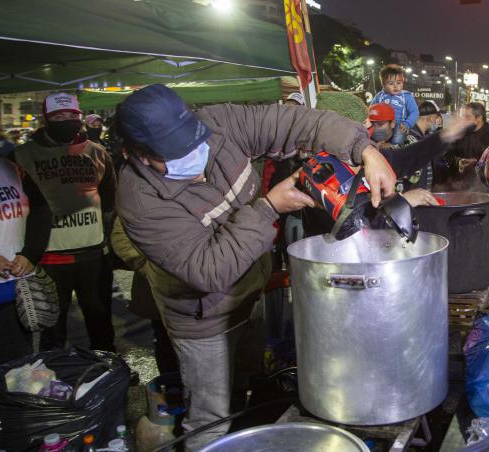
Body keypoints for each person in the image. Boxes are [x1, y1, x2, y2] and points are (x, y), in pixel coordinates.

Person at [111, 84, 395, 450]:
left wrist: (366, 150)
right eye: (177, 153)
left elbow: (295, 122)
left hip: (252, 292)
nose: (196, 155)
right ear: (140, 155)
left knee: (245, 392)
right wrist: (269, 208)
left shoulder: (218, 124)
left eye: (196, 141)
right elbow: (209, 270)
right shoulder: (139, 201)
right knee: (210, 420)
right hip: (203, 319)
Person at [13, 93, 117, 353]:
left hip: (91, 253)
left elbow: (110, 199)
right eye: (59, 117)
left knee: (100, 318)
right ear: (46, 120)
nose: (67, 121)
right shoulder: (23, 155)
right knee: (52, 324)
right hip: (48, 257)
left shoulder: (97, 152)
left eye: (72, 116)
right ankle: (56, 373)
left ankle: (106, 366)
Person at [0, 148, 52, 364]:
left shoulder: (9, 168)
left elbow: (41, 210)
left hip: (14, 292)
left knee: (19, 372)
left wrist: (31, 254)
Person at [441, 102, 489, 190]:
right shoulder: (459, 135)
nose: (464, 120)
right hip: (459, 187)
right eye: (463, 116)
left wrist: (478, 163)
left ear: (479, 118)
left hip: (484, 190)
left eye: (467, 117)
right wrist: (459, 162)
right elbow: (447, 156)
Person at [371, 64, 418, 146]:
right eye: (391, 83)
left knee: (398, 138)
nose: (396, 86)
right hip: (383, 124)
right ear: (384, 85)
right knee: (375, 135)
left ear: (403, 83)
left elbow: (414, 112)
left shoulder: (407, 96)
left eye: (399, 83)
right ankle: (377, 146)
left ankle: (393, 147)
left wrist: (407, 123)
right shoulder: (380, 96)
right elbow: (371, 109)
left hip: (400, 124)